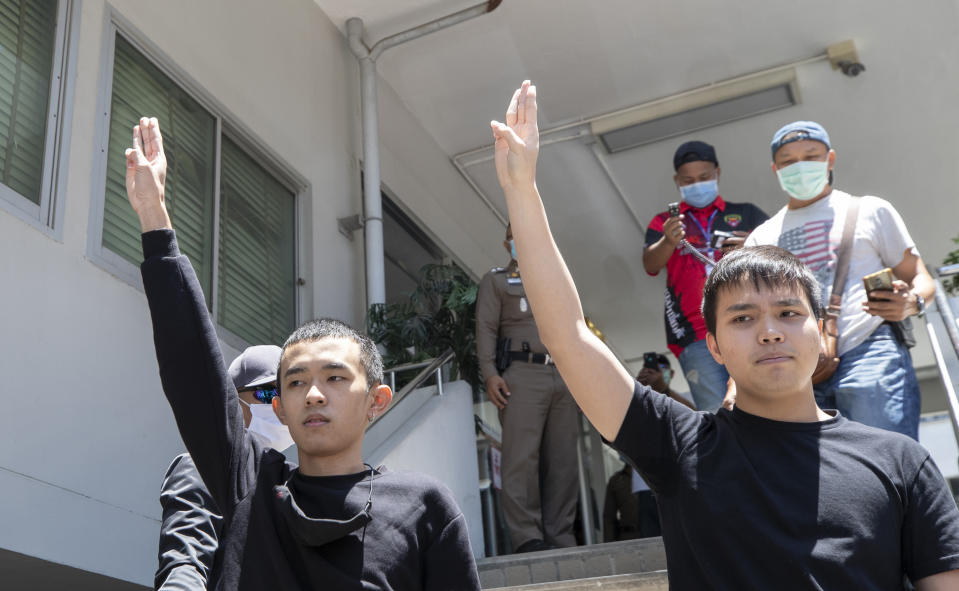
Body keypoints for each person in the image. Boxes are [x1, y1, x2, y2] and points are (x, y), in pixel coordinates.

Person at [489, 81, 959, 588]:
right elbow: (568, 336)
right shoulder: (680, 447)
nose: (769, 332)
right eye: (742, 318)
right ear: (712, 345)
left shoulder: (903, 463)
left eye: (787, 313)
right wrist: (521, 189)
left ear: (819, 327)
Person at [126, 117, 480, 590]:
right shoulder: (251, 487)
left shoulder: (424, 507)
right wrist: (156, 219)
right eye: (294, 382)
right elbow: (192, 372)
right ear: (279, 408)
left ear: (377, 400)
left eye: (334, 377)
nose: (313, 394)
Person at [744, 121, 935, 440]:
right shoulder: (761, 237)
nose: (800, 166)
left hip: (870, 347)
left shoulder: (870, 210)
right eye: (789, 161)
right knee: (819, 481)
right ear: (775, 169)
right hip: (796, 366)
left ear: (830, 160)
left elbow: (920, 278)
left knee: (887, 461)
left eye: (811, 156)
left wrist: (910, 303)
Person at [476, 224, 579, 553]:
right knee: (521, 459)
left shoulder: (557, 278)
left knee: (563, 461)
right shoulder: (497, 281)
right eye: (515, 233)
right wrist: (490, 372)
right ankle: (527, 538)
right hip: (521, 374)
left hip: (562, 374)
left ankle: (561, 535)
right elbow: (486, 328)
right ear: (507, 243)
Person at [643, 141, 768, 411]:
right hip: (696, 332)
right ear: (677, 181)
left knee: (765, 404)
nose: (697, 184)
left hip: (751, 323)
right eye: (688, 180)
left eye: (704, 177)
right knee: (717, 413)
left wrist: (754, 245)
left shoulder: (747, 213)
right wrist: (667, 241)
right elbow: (650, 265)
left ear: (717, 173)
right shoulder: (664, 221)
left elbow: (782, 260)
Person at [155, 345, 290, 590]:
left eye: (290, 396)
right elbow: (186, 561)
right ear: (233, 401)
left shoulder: (290, 485)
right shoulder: (203, 468)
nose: (279, 407)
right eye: (268, 394)